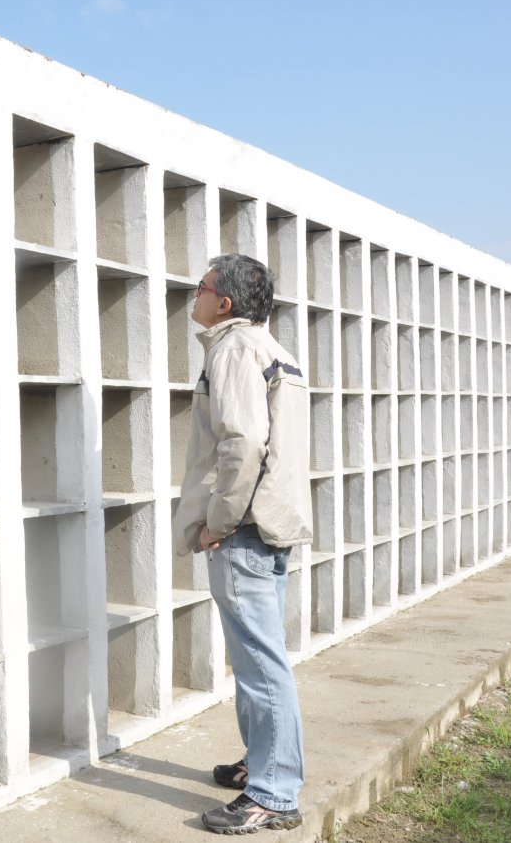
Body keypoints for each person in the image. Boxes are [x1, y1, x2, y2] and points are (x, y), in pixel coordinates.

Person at [172, 254, 313, 834]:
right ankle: (261, 762)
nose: (195, 297)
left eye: (200, 288)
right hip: (272, 524)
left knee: (260, 664)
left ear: (224, 303)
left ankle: (274, 793)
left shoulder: (232, 349)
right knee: (259, 657)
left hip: (245, 529)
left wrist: (219, 522)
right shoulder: (274, 349)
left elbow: (244, 442)